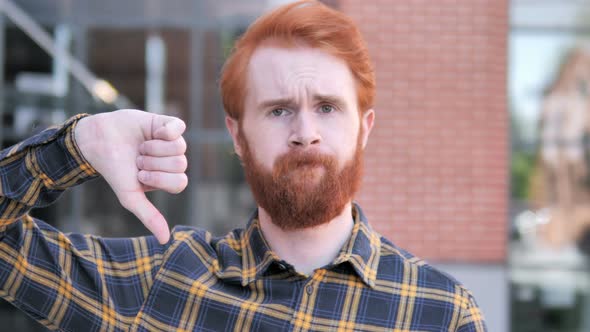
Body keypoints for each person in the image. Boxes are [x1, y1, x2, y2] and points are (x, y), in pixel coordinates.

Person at [0, 1, 487, 331]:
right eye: (278, 110)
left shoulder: (440, 313)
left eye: (327, 107)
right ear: (237, 134)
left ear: (364, 127)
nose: (305, 132)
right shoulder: (162, 283)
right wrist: (77, 144)